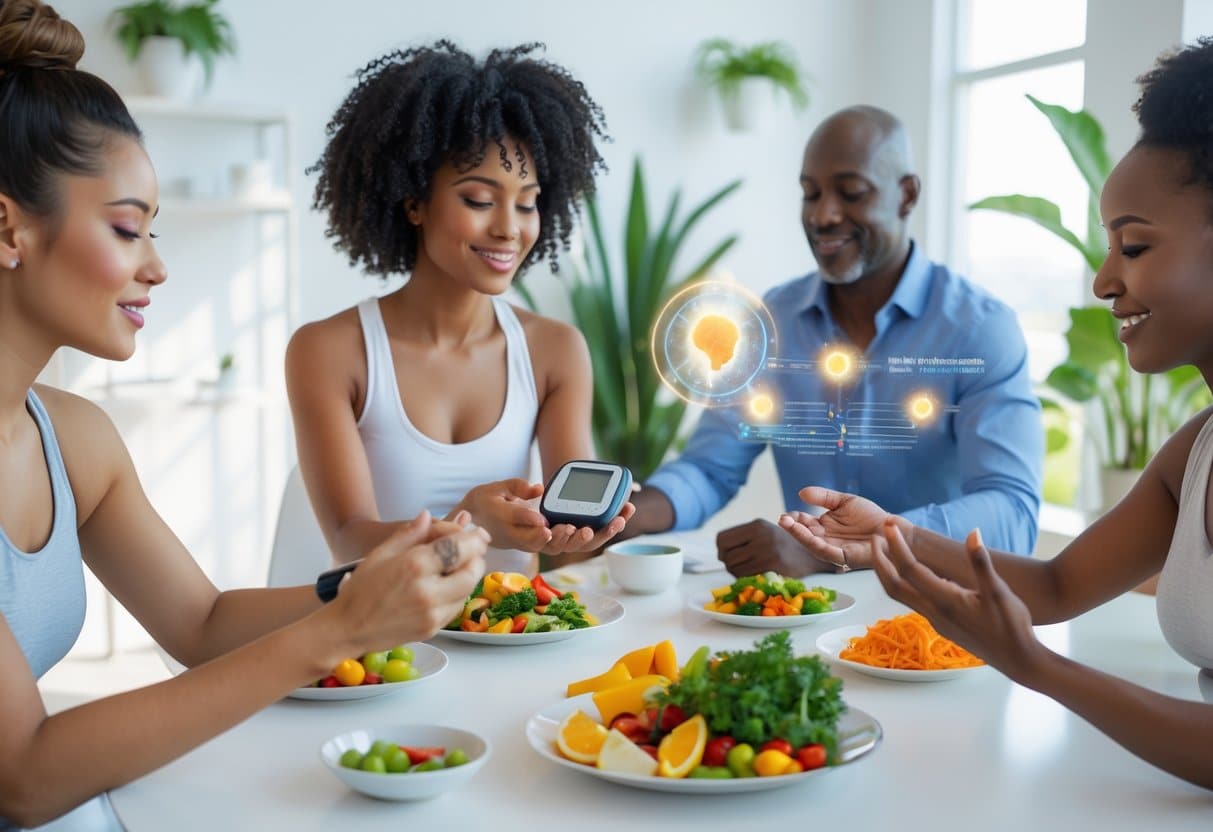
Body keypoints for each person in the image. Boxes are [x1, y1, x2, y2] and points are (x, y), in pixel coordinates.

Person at [0, 3, 488, 828]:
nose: (155, 267)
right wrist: (335, 634)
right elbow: (22, 775)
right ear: (8, 227)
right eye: (127, 228)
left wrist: (355, 588)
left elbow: (201, 621)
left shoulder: (75, 439)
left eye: (153, 231)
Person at [784, 39, 1213, 791]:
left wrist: (1033, 666)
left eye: (1134, 245)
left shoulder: (974, 325)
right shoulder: (1194, 452)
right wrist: (890, 533)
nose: (1102, 281)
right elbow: (1053, 587)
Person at [624, 105, 1042, 576]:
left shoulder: (979, 329)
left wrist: (843, 549)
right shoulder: (773, 321)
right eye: (810, 194)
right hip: (810, 617)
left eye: (852, 193)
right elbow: (708, 467)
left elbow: (1013, 514)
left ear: (906, 195)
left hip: (935, 620)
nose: (823, 215)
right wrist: (629, 515)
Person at [288, 41, 633, 572]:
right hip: (387, 647)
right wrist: (466, 521)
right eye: (478, 199)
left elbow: (569, 545)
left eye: (527, 202)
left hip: (513, 632)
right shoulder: (329, 351)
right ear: (414, 202)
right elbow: (347, 542)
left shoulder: (555, 351)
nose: (509, 228)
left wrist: (579, 537)